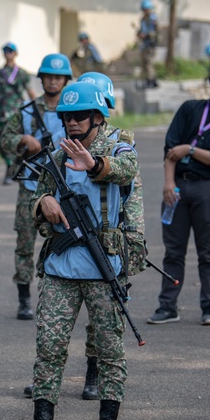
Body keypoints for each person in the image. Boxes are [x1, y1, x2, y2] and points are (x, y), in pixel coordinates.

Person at [13, 81, 138, 420]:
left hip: (103, 267)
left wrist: (94, 164)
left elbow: (126, 170)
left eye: (79, 116)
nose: (71, 123)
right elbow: (35, 199)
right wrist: (45, 202)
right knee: (49, 347)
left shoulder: (118, 146)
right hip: (60, 268)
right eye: (66, 117)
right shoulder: (55, 154)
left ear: (98, 117)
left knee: (110, 348)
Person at [148, 59, 210, 326]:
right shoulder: (191, 109)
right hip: (178, 184)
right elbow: (170, 147)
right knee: (173, 250)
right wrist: (169, 183)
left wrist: (190, 150)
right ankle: (167, 306)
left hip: (206, 189)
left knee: (207, 250)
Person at [74, 72, 145, 402]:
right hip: (82, 234)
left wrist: (130, 240)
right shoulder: (75, 140)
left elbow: (130, 196)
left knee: (105, 313)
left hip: (115, 235)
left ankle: (95, 371)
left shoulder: (120, 141)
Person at [0, 52, 73, 321]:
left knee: (65, 241)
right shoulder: (28, 110)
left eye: (58, 77)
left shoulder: (73, 110)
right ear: (41, 79)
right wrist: (22, 139)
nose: (53, 82)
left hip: (64, 187)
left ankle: (59, 296)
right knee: (24, 241)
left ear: (65, 80)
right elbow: (5, 138)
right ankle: (24, 299)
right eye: (48, 77)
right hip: (31, 186)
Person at [0, 42, 36, 185]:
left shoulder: (21, 73)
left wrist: (37, 107)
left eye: (10, 51)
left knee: (15, 138)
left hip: (16, 113)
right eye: (5, 51)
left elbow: (29, 91)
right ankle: (12, 162)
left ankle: (11, 167)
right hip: (1, 112)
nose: (8, 53)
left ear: (15, 53)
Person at [137, 0, 159, 89]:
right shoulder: (143, 19)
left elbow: (156, 32)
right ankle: (149, 80)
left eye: (146, 9)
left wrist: (146, 35)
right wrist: (139, 34)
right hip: (144, 44)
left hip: (151, 44)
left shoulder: (153, 18)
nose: (145, 11)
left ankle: (152, 81)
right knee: (144, 63)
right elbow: (141, 29)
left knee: (149, 63)